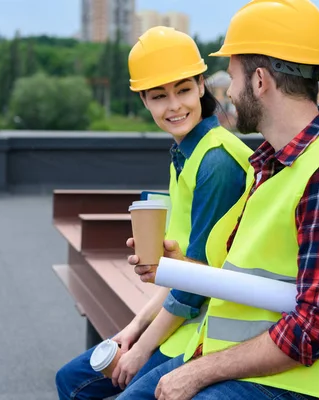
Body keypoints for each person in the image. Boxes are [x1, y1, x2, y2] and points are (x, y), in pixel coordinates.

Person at [120, 1, 319, 399]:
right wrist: (178, 268)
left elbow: (316, 328)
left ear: (261, 81)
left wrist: (199, 372)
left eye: (232, 76)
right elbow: (264, 276)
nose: (229, 92)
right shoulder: (275, 163)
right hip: (267, 365)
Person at [55, 26, 254, 399]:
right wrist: (132, 329)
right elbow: (182, 271)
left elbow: (198, 283)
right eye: (159, 96)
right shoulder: (187, 153)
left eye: (183, 90)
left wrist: (142, 348)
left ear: (200, 86)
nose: (174, 106)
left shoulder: (217, 163)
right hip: (184, 321)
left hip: (211, 332)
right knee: (71, 380)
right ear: (144, 101)